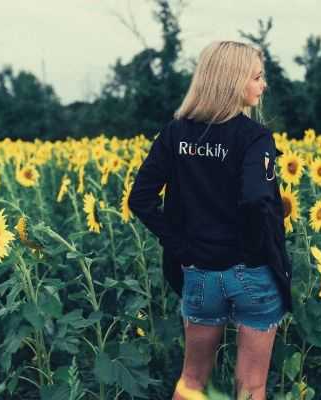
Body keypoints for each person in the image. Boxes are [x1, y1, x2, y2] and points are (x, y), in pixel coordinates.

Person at [128, 40, 293, 400]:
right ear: (233, 81)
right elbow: (257, 199)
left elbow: (139, 199)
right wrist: (264, 253)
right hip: (250, 273)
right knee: (251, 386)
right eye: (257, 77)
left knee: (192, 380)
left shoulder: (176, 133)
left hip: (199, 272)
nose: (262, 86)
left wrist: (181, 245)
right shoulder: (254, 138)